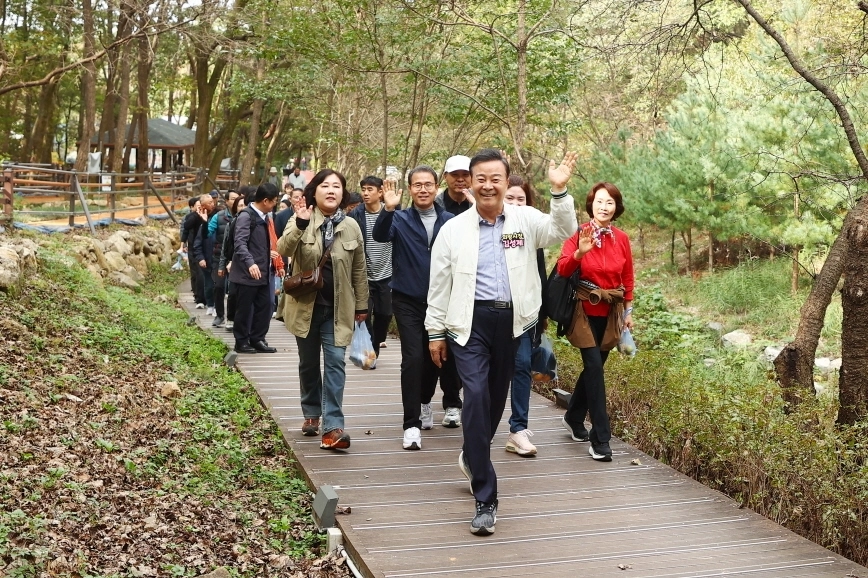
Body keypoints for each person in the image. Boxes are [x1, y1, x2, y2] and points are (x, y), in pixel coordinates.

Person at [426, 148, 577, 535]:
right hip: (468, 322)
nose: (488, 185)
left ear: (507, 182)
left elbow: (564, 231)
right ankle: (485, 497)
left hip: (512, 322)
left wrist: (559, 192)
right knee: (475, 395)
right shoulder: (453, 229)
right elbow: (439, 284)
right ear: (470, 185)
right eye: (481, 178)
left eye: (496, 178)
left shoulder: (524, 220)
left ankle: (471, 452)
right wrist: (435, 331)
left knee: (493, 402)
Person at [277, 169, 368, 451]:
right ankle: (311, 414)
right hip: (305, 307)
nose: (331, 190)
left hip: (338, 310)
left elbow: (359, 270)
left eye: (337, 186)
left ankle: (333, 427)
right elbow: (283, 249)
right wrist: (301, 224)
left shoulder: (351, 226)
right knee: (308, 364)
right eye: (325, 186)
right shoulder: (300, 219)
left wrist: (363, 306)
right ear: (314, 192)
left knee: (335, 363)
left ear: (343, 194)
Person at [374, 167, 463, 450]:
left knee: (436, 358)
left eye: (428, 184)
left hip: (442, 301)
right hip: (407, 300)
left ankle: (425, 401)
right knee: (412, 359)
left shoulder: (450, 220)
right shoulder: (399, 218)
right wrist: (388, 208)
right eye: (417, 185)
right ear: (410, 189)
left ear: (436, 187)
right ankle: (411, 424)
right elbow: (379, 236)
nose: (423, 189)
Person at [557, 182, 634, 462]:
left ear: (617, 207)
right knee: (594, 368)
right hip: (583, 312)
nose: (604, 207)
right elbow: (563, 268)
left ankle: (574, 417)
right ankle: (601, 438)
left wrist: (628, 312)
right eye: (600, 201)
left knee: (595, 368)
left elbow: (627, 278)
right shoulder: (578, 233)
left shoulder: (622, 238)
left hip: (611, 312)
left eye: (610, 202)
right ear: (591, 204)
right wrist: (580, 252)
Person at [501, 175, 549, 457]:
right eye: (511, 198)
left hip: (523, 314)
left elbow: (539, 275)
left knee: (521, 366)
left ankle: (518, 429)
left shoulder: (529, 231)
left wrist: (541, 313)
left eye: (521, 199)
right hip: (489, 312)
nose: (516, 204)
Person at [229, 183, 281, 354]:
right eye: (273, 201)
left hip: (265, 272)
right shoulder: (246, 216)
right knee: (244, 308)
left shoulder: (267, 217)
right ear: (265, 201)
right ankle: (241, 341)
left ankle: (258, 338)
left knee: (266, 305)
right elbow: (240, 243)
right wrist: (250, 263)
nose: (275, 204)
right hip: (247, 273)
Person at [349, 176, 393, 361]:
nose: (366, 193)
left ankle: (375, 342)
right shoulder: (355, 215)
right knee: (364, 316)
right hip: (363, 276)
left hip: (387, 275)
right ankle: (370, 354)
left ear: (380, 192)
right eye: (363, 189)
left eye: (370, 189)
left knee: (384, 314)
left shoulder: (393, 213)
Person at [198, 190, 238, 327]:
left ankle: (232, 317)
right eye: (232, 198)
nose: (235, 201)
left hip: (237, 258)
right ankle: (220, 315)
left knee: (233, 290)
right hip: (219, 257)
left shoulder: (244, 216)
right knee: (219, 286)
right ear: (226, 201)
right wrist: (203, 223)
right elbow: (206, 234)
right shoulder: (218, 217)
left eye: (237, 199)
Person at [218, 190, 250, 331]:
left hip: (249, 263)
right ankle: (230, 318)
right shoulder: (231, 224)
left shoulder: (253, 223)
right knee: (233, 293)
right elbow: (226, 246)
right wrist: (223, 264)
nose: (242, 208)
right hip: (233, 262)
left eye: (245, 205)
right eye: (240, 206)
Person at [191, 193, 217, 315]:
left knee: (219, 284)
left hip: (218, 256)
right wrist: (200, 257)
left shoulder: (220, 216)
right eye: (209, 202)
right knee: (208, 283)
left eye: (212, 201)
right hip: (205, 255)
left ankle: (218, 307)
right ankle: (209, 304)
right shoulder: (195, 218)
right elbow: (197, 240)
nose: (212, 204)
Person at [180, 196, 205, 308]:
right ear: (193, 207)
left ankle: (203, 296)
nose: (200, 208)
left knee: (202, 273)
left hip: (204, 247)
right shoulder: (191, 216)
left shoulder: (208, 215)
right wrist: (183, 244)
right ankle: (197, 295)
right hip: (192, 247)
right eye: (198, 206)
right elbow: (185, 228)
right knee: (195, 272)